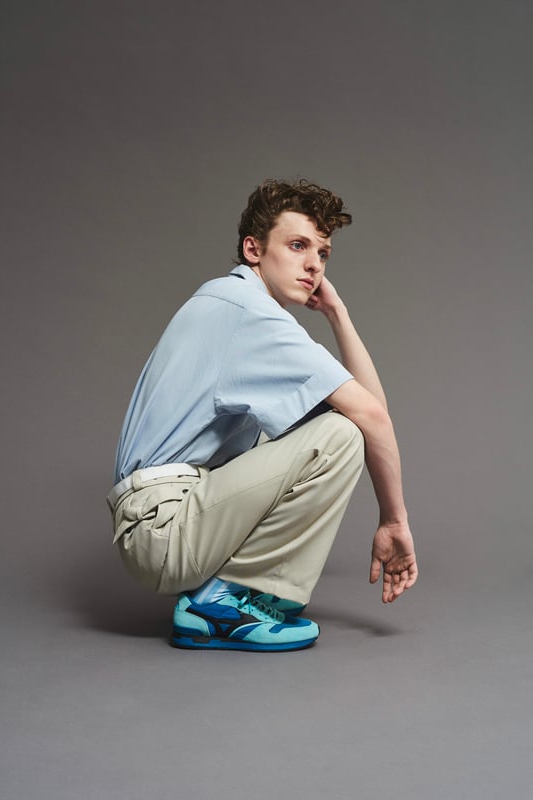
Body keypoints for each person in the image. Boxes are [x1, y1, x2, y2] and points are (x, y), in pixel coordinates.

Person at [108, 178, 418, 652]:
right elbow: (370, 417)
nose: (314, 264)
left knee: (321, 426)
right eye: (297, 246)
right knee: (338, 434)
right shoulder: (250, 313)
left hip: (164, 519)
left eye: (323, 253)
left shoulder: (229, 303)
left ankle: (238, 596)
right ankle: (221, 604)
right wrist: (393, 521)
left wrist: (337, 312)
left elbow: (372, 410)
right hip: (163, 528)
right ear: (253, 250)